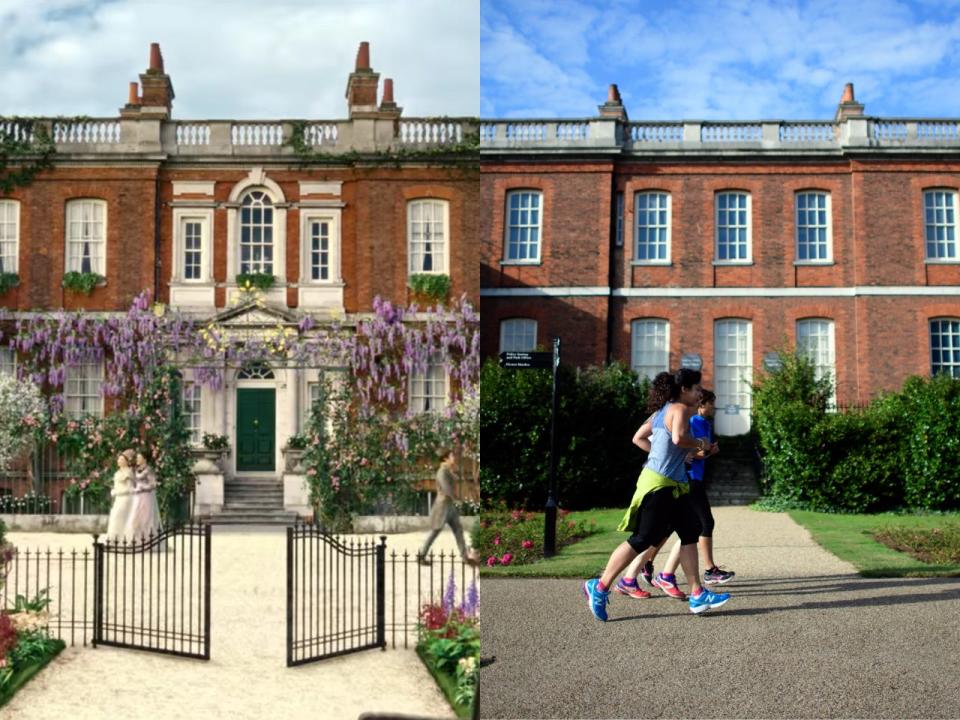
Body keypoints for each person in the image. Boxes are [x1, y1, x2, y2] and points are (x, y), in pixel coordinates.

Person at [582, 370, 731, 620]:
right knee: (642, 538)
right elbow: (679, 437)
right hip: (660, 485)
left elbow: (638, 438)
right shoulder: (681, 409)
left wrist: (665, 456)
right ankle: (599, 587)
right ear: (684, 389)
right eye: (696, 388)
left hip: (670, 483)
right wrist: (700, 445)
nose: (698, 393)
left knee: (690, 531)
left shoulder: (663, 410)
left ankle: (697, 594)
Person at [619, 388, 734, 600]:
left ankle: (642, 576)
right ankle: (656, 576)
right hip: (679, 479)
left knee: (676, 529)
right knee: (687, 527)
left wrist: (699, 453)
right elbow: (678, 445)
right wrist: (700, 451)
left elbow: (676, 446)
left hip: (680, 479)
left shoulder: (671, 414)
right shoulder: (677, 415)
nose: (712, 406)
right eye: (707, 401)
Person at [418, 447, 479, 566]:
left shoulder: (448, 470)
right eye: (451, 456)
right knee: (435, 532)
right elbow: (447, 489)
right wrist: (458, 499)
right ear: (445, 458)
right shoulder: (442, 472)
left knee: (458, 530)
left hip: (449, 505)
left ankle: (465, 557)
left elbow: (453, 483)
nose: (454, 458)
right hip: (442, 506)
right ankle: (421, 556)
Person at [127, 451, 162, 542]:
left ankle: (147, 541)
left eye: (139, 458)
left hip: (146, 497)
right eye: (137, 458)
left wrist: (143, 487)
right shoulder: (136, 469)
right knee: (134, 517)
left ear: (144, 459)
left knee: (146, 518)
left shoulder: (149, 470)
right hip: (137, 497)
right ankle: (136, 540)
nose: (137, 460)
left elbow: (153, 484)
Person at [106, 449, 136, 541]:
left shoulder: (128, 472)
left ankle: (125, 540)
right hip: (119, 499)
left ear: (126, 462)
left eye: (121, 460)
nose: (119, 461)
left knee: (119, 517)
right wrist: (114, 491)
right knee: (115, 517)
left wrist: (116, 492)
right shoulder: (117, 473)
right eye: (118, 459)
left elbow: (130, 489)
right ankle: (114, 540)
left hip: (126, 499)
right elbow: (117, 486)